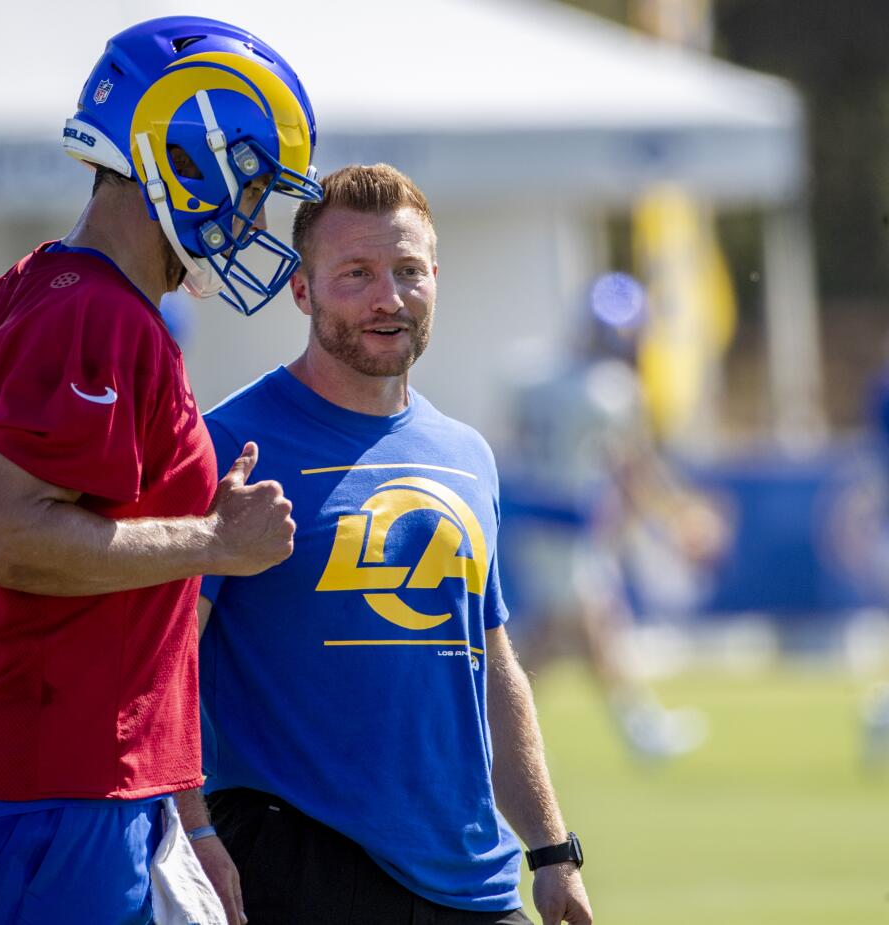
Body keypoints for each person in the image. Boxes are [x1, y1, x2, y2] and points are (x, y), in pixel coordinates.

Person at [0, 16, 321, 924]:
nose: (254, 216)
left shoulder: (11, 295)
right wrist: (213, 539)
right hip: (56, 780)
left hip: (39, 772)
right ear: (185, 156)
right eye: (251, 184)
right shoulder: (97, 317)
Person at [179, 164, 593, 925]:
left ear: (436, 277)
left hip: (475, 877)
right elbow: (165, 660)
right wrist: (194, 826)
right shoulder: (226, 443)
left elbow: (492, 662)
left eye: (408, 271)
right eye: (357, 274)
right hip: (298, 861)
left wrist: (551, 847)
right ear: (301, 291)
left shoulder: (466, 454)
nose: (388, 298)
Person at [504, 274, 726, 761]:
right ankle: (487, 725)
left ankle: (641, 729)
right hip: (568, 525)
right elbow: (632, 467)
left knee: (588, 632)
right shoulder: (608, 390)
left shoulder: (534, 374)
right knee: (556, 638)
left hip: (537, 520)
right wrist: (677, 513)